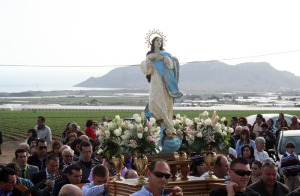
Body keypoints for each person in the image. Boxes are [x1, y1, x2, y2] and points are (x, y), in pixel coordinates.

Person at [140, 35, 183, 141]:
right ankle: (156, 127)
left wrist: (164, 58)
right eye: (157, 40)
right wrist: (149, 59)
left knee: (166, 104)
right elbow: (148, 70)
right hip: (155, 84)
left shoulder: (167, 55)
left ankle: (167, 127)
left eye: (160, 40)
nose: (159, 42)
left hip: (165, 84)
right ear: (153, 43)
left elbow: (173, 65)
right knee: (155, 102)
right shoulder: (150, 56)